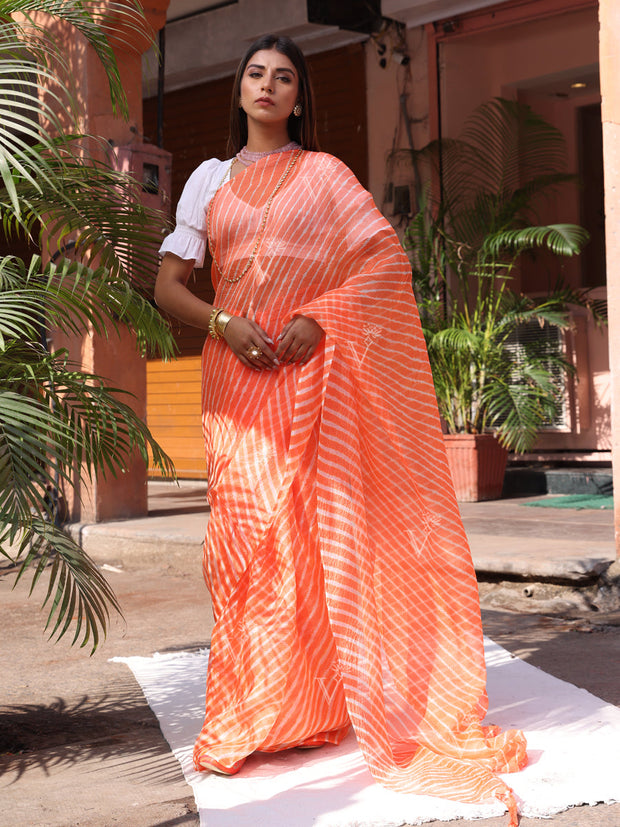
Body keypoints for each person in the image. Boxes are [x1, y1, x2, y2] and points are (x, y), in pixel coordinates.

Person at [154, 33, 527, 825]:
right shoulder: (207, 182)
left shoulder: (325, 175)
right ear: (238, 89)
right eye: (255, 72)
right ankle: (251, 713)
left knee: (308, 543)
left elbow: (383, 264)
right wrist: (222, 324)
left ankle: (311, 708)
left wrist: (321, 319)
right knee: (244, 548)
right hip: (234, 384)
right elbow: (169, 287)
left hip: (310, 386)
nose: (267, 86)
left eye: (283, 77)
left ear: (299, 97)